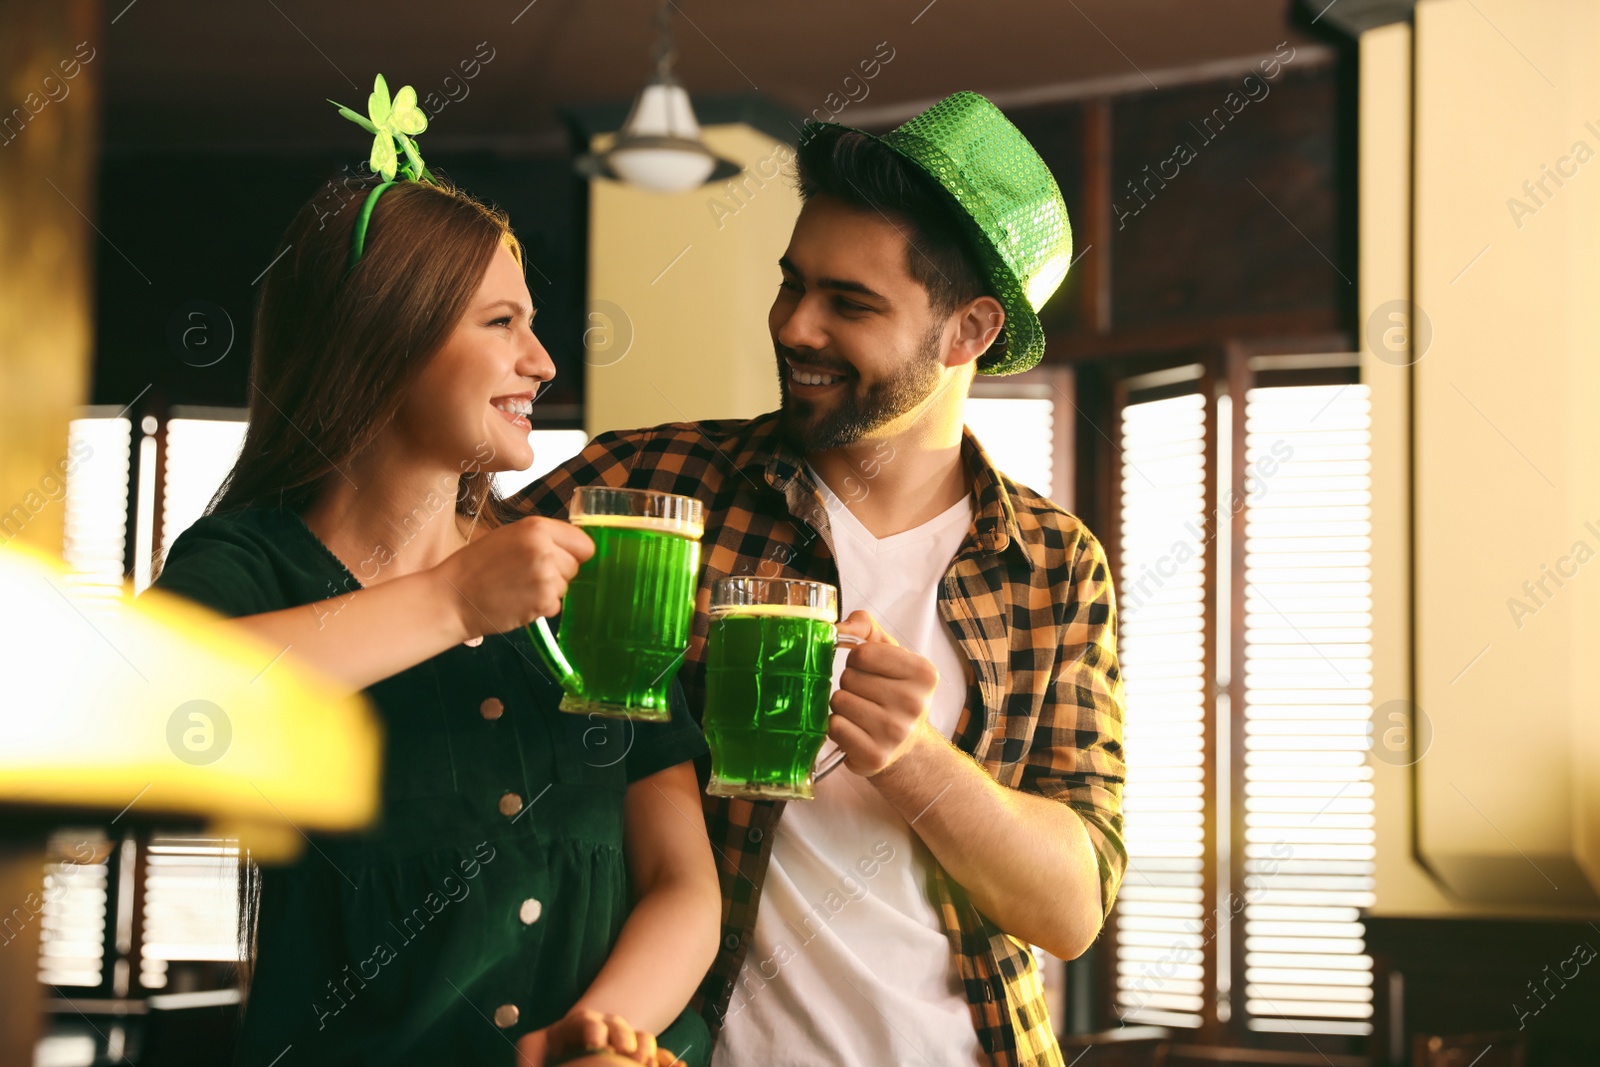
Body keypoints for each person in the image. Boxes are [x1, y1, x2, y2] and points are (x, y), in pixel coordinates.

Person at [514, 91, 1128, 1066]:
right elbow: (432, 574)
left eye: (849, 303)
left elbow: (1071, 904)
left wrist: (914, 758)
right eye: (791, 283)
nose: (793, 325)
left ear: (966, 331)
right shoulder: (648, 484)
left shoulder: (1053, 562)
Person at [150, 76, 718, 1067]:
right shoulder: (250, 564)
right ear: (384, 336)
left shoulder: (588, 584)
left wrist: (592, 1037)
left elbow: (683, 881)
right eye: (501, 323)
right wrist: (453, 598)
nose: (543, 362)